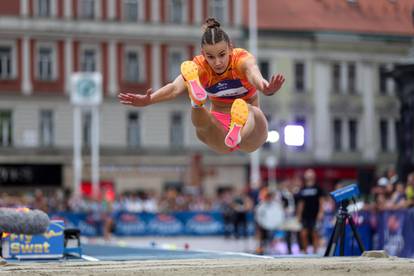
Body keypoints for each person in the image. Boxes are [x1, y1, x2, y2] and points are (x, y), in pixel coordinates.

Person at [118, 18, 285, 154]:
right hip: (222, 122)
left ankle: (231, 127)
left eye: (222, 55)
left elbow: (254, 74)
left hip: (244, 121)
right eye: (211, 57)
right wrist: (150, 99)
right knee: (205, 125)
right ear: (203, 54)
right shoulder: (200, 66)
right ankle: (197, 101)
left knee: (247, 113)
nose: (217, 62)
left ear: (230, 49)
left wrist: (265, 87)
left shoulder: (241, 60)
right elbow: (174, 88)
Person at [296, 169, 325, 254]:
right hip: (305, 215)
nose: (309, 176)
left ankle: (315, 252)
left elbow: (321, 201)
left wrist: (321, 212)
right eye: (307, 175)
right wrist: (299, 215)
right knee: (303, 234)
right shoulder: (303, 189)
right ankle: (305, 252)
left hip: (315, 214)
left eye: (311, 175)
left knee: (315, 234)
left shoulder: (318, 188)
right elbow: (301, 203)